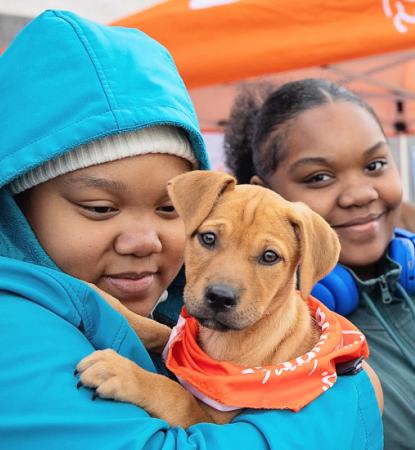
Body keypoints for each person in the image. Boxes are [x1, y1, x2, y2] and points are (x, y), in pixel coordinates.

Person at [0, 11, 382, 449]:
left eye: (169, 208)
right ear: (13, 201)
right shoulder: (13, 329)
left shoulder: (168, 306)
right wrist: (355, 396)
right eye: (100, 207)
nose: (146, 239)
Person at [224, 78, 415, 450]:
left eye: (375, 164)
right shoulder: (256, 345)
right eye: (320, 177)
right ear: (265, 194)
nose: (361, 194)